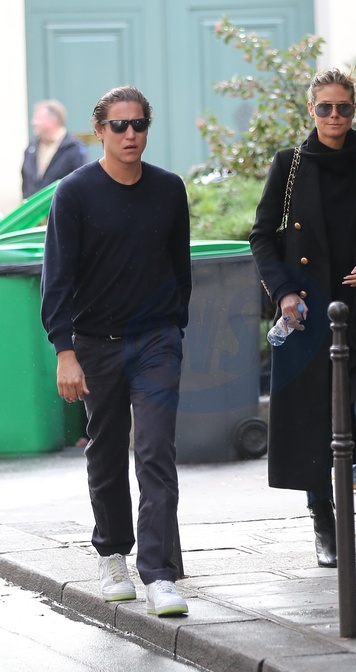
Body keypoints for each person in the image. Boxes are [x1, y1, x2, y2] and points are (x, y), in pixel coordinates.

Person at [41, 85, 191, 617]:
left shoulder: (169, 189)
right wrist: (64, 351)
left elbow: (179, 267)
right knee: (105, 453)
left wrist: (175, 328)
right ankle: (111, 554)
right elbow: (56, 278)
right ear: (100, 130)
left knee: (155, 452)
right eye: (120, 125)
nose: (131, 134)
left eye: (139, 124)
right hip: (95, 345)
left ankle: (159, 574)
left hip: (156, 341)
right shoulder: (74, 193)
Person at [250, 68, 356, 570]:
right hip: (309, 311)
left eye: (343, 107)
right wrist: (283, 292)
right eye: (325, 107)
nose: (334, 116)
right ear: (311, 110)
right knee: (313, 417)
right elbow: (262, 235)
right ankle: (324, 523)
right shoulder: (289, 164)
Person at [22, 99, 88, 199]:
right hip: (36, 208)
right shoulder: (31, 148)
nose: (33, 123)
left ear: (52, 121)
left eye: (38, 118)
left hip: (62, 208)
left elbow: (81, 183)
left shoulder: (74, 148)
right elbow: (25, 183)